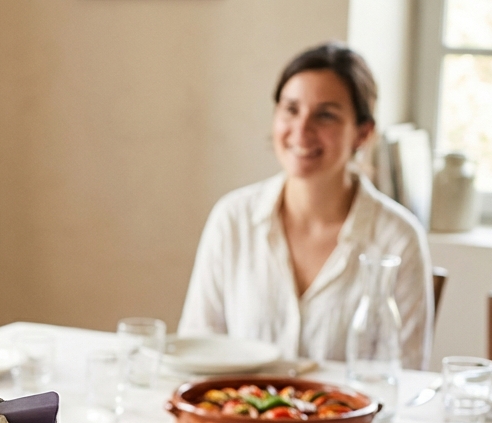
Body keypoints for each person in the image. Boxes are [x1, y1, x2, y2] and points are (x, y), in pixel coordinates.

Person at [178, 43, 432, 369]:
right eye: (291, 109)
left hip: (349, 421)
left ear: (362, 133)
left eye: (325, 115)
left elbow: (405, 376)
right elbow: (199, 352)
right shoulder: (232, 219)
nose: (302, 130)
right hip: (239, 417)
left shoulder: (399, 239)